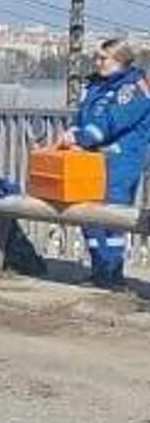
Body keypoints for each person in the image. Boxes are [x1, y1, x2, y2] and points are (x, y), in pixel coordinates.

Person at [61, 38, 150, 290]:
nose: (97, 62)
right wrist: (74, 133)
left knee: (111, 217)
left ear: (120, 60)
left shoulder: (134, 88)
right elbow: (83, 115)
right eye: (96, 58)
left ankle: (112, 274)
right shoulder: (96, 85)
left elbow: (113, 122)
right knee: (88, 215)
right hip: (90, 159)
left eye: (103, 58)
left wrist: (82, 137)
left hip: (120, 161)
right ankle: (99, 271)